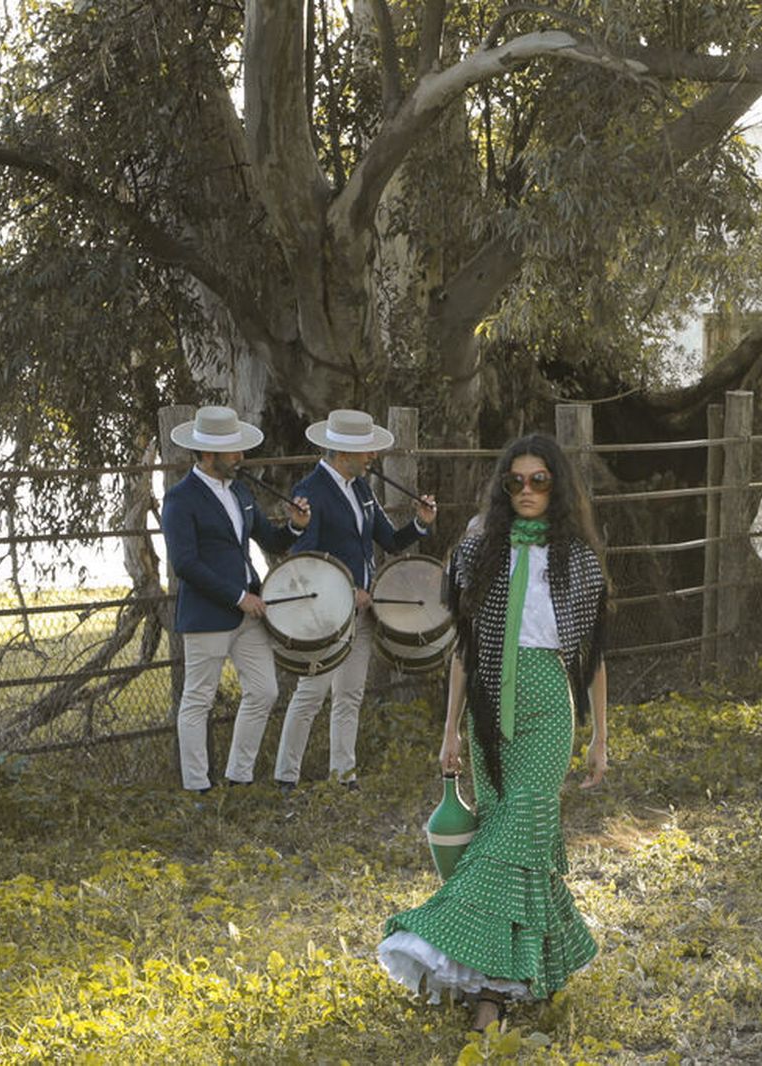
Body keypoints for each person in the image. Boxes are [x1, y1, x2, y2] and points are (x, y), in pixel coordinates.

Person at [378, 434, 608, 1034]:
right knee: (519, 846)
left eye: (539, 480)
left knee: (517, 832)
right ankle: (518, 973)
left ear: (556, 486)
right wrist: (449, 730)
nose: (527, 491)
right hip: (487, 710)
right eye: (516, 482)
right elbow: (464, 650)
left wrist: (601, 737)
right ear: (503, 490)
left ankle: (481, 985)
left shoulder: (576, 557)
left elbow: (592, 656)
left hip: (546, 708)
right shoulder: (481, 551)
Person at [273, 409, 436, 792]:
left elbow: (390, 541)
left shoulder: (361, 488)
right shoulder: (310, 492)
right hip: (326, 613)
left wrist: (421, 523)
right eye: (366, 452)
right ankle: (285, 778)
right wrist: (348, 591)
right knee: (311, 694)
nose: (372, 458)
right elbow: (304, 563)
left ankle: (343, 776)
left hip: (361, 614)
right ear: (343, 454)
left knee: (350, 694)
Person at [160, 405, 309, 792]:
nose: (240, 458)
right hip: (208, 614)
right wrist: (237, 596)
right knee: (198, 700)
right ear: (208, 454)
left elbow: (271, 540)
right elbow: (185, 564)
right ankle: (197, 788)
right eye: (233, 452)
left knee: (265, 691)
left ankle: (238, 779)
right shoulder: (180, 499)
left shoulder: (241, 492)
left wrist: (295, 526)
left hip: (250, 612)